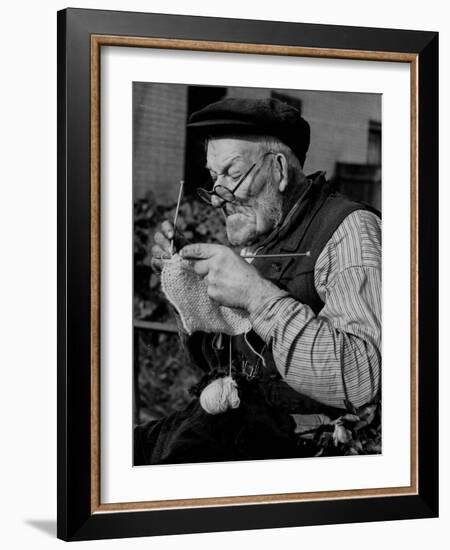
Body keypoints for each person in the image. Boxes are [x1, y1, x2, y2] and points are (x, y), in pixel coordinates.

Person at [134, 97, 381, 465]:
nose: (218, 198)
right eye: (214, 177)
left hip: (299, 447)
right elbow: (217, 361)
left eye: (231, 174)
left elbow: (361, 378)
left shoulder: (350, 233)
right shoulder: (262, 235)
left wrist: (256, 295)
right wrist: (190, 292)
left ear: (279, 169)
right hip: (231, 423)